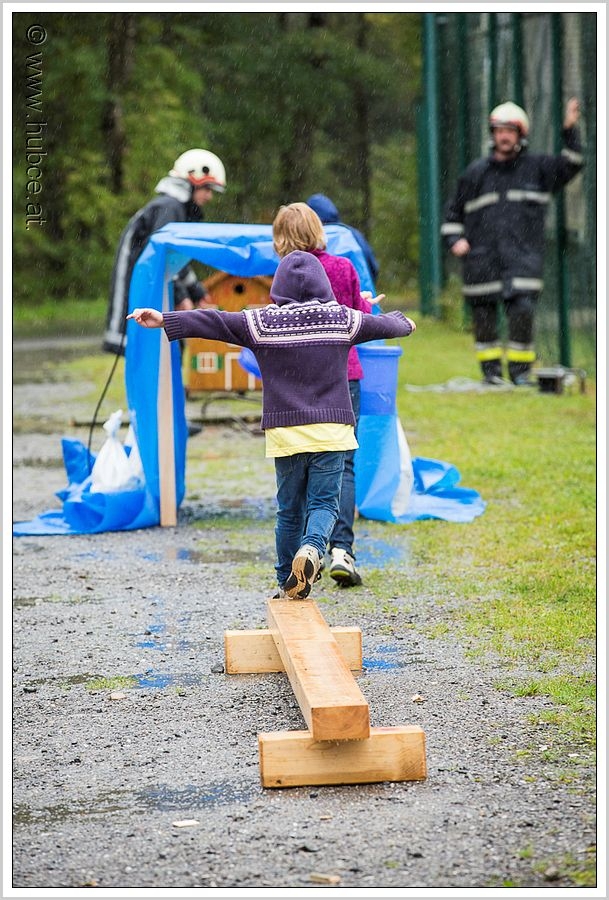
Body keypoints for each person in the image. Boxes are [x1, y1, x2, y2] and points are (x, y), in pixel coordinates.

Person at [127, 251, 416, 600]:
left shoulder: (262, 322)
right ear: (323, 285)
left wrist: (165, 319)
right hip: (332, 431)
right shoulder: (341, 319)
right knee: (324, 504)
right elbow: (388, 326)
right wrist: (404, 322)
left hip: (286, 434)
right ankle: (312, 549)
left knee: (289, 510)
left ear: (278, 287)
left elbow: (214, 321)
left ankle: (285, 581)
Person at [272, 202, 384, 589]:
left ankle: (305, 551)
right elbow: (355, 319)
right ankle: (341, 550)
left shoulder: (284, 275)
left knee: (299, 471)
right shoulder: (343, 267)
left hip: (296, 384)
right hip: (342, 378)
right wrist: (366, 305)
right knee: (343, 466)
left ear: (281, 237)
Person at [440, 98, 584, 385]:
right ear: (493, 134)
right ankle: (491, 374)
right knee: (484, 319)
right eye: (499, 130)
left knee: (522, 313)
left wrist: (570, 129)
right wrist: (455, 240)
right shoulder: (475, 174)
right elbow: (451, 215)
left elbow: (573, 163)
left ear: (520, 135)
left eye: (509, 131)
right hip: (481, 262)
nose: (504, 136)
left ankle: (520, 374)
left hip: (522, 261)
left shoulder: (539, 169)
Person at [103, 148, 226, 356]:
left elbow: (177, 261)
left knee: (163, 342)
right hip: (140, 283)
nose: (209, 196)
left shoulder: (175, 208)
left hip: (150, 282)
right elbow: (163, 256)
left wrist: (195, 290)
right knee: (147, 344)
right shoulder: (170, 208)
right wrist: (181, 296)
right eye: (206, 188)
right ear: (189, 183)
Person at [306, 193, 380, 287]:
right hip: (361, 291)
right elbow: (372, 266)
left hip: (322, 293)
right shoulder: (353, 234)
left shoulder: (310, 236)